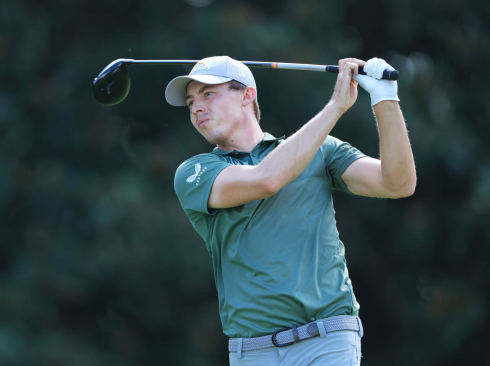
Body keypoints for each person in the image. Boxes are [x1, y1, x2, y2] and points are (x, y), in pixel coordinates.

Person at [166, 56, 416, 365]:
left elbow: (397, 183)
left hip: (328, 342)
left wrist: (385, 100)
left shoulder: (321, 150)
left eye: (207, 94)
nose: (196, 107)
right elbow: (267, 179)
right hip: (253, 352)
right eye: (190, 101)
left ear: (247, 95)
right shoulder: (195, 172)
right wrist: (335, 106)